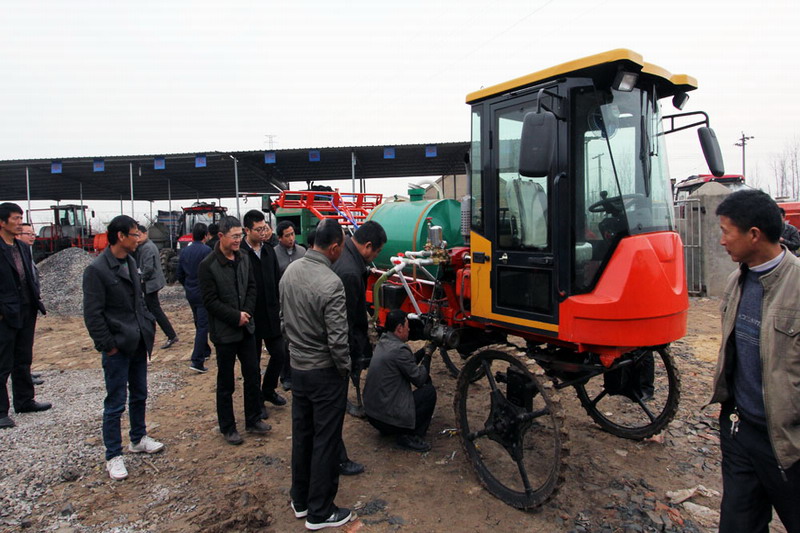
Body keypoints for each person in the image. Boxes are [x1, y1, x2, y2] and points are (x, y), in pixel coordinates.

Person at [710, 189, 800, 532]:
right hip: (740, 431)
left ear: (754, 235)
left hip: (788, 445)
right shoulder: (737, 280)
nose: (722, 241)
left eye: (726, 232)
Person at [280, 218, 353, 530]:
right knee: (326, 439)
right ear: (334, 247)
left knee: (303, 433)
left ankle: (300, 499)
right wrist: (344, 368)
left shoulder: (290, 271)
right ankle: (320, 511)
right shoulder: (331, 283)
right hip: (324, 372)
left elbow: (283, 319)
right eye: (341, 247)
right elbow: (337, 340)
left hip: (298, 367)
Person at [83, 215, 164, 480]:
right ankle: (113, 455)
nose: (138, 238)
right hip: (118, 346)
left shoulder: (130, 262)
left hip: (138, 340)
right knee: (115, 402)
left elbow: (139, 302)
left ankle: (138, 438)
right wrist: (108, 346)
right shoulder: (97, 270)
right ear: (120, 236)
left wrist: (147, 325)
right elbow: (93, 315)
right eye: (134, 234)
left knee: (139, 393)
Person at [199, 216, 270, 445]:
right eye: (234, 236)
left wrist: (246, 312)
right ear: (221, 236)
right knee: (226, 382)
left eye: (240, 235)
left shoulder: (244, 258)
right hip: (225, 333)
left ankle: (253, 419)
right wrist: (235, 316)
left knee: (252, 375)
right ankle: (228, 427)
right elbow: (210, 301)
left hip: (246, 328)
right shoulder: (208, 265)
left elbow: (252, 287)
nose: (239, 240)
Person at [331, 221, 387, 475]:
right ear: (367, 246)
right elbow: (351, 319)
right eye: (377, 252)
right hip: (338, 345)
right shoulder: (350, 272)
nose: (376, 257)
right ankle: (337, 459)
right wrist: (358, 352)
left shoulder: (344, 253)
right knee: (332, 407)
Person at [0, 204, 51, 430]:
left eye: (21, 218)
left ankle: (24, 400)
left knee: (23, 358)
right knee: (3, 362)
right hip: (5, 313)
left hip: (26, 309)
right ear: (2, 222)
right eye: (15, 218)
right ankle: (1, 411)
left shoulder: (21, 246)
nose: (20, 222)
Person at [364, 309, 436, 452]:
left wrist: (423, 350)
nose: (409, 329)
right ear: (399, 328)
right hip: (387, 419)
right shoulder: (399, 349)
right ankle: (409, 435)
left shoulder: (384, 342)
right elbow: (420, 379)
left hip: (373, 416)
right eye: (407, 326)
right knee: (429, 392)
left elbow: (407, 363)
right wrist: (428, 355)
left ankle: (392, 428)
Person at [241, 210, 287, 418]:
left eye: (265, 228)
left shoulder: (268, 251)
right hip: (251, 317)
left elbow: (276, 280)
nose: (263, 233)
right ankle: (256, 402)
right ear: (247, 230)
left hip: (271, 314)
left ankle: (268, 390)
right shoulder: (241, 253)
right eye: (258, 229)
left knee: (279, 353)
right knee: (252, 365)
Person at [134, 225, 178, 349]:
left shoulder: (147, 248)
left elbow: (148, 268)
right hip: (152, 283)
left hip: (151, 284)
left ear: (145, 234)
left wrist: (140, 278)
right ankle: (169, 335)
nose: (137, 238)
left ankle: (171, 335)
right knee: (152, 309)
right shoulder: (147, 246)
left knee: (154, 310)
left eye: (138, 235)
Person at [177, 223, 213, 373]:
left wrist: (187, 286)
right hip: (203, 293)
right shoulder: (207, 251)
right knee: (203, 326)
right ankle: (197, 360)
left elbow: (179, 274)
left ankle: (205, 350)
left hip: (191, 292)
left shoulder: (185, 251)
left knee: (199, 323)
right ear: (205, 235)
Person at [16, 223, 44, 386]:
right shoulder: (13, 256)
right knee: (18, 346)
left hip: (29, 306)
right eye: (28, 234)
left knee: (26, 345)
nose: (32, 237)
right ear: (18, 235)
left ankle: (26, 373)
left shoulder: (27, 253)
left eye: (33, 234)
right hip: (17, 308)